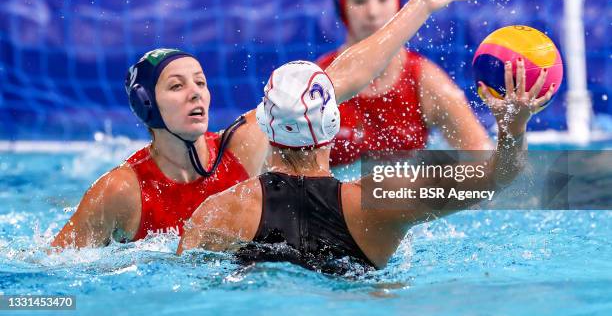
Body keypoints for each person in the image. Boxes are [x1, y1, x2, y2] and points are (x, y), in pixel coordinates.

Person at [52, 0, 480, 249]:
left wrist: (421, 5)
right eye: (176, 86)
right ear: (148, 105)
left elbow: (339, 79)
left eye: (200, 82)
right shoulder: (120, 191)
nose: (194, 94)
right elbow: (50, 272)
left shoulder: (241, 145)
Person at [177, 58, 555, 273]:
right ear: (333, 125)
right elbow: (497, 177)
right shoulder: (382, 198)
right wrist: (512, 127)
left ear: (264, 125)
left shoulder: (219, 212)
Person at [317, 0, 492, 167]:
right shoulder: (320, 82)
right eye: (360, 0)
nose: (372, 11)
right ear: (341, 6)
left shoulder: (424, 80)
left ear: (397, 0)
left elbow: (481, 157)